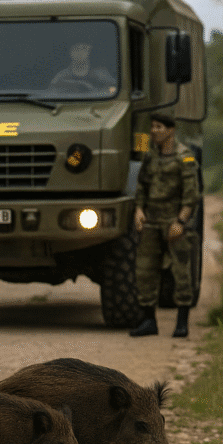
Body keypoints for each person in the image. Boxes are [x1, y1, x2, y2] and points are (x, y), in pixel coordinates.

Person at [129, 112, 200, 338]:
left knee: (181, 273)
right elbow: (141, 187)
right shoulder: (151, 157)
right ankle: (149, 320)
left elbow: (191, 194)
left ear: (171, 130)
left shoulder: (185, 157)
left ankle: (182, 323)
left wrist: (181, 221)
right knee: (145, 271)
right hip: (151, 222)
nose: (154, 131)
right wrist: (139, 210)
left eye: (159, 127)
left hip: (173, 222)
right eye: (152, 127)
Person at [48, 41, 115, 94]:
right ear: (70, 52)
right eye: (76, 48)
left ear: (89, 51)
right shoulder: (61, 77)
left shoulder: (101, 74)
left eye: (84, 48)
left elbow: (114, 90)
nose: (80, 52)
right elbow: (52, 94)